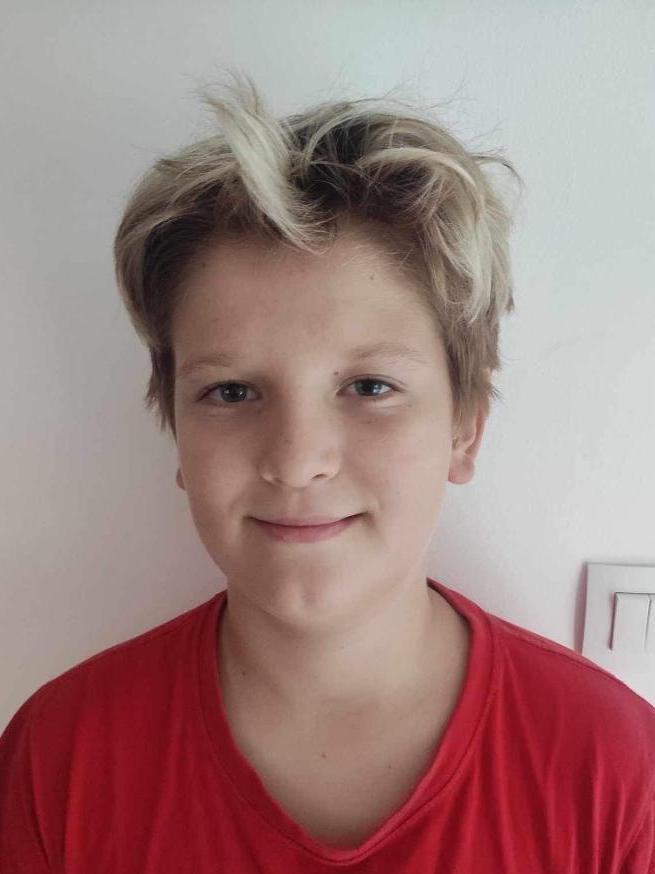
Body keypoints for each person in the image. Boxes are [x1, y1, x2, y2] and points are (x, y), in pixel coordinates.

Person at [1, 70, 654, 873]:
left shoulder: (617, 773)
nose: (296, 460)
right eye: (230, 391)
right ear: (175, 432)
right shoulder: (57, 760)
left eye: (370, 387)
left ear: (464, 428)